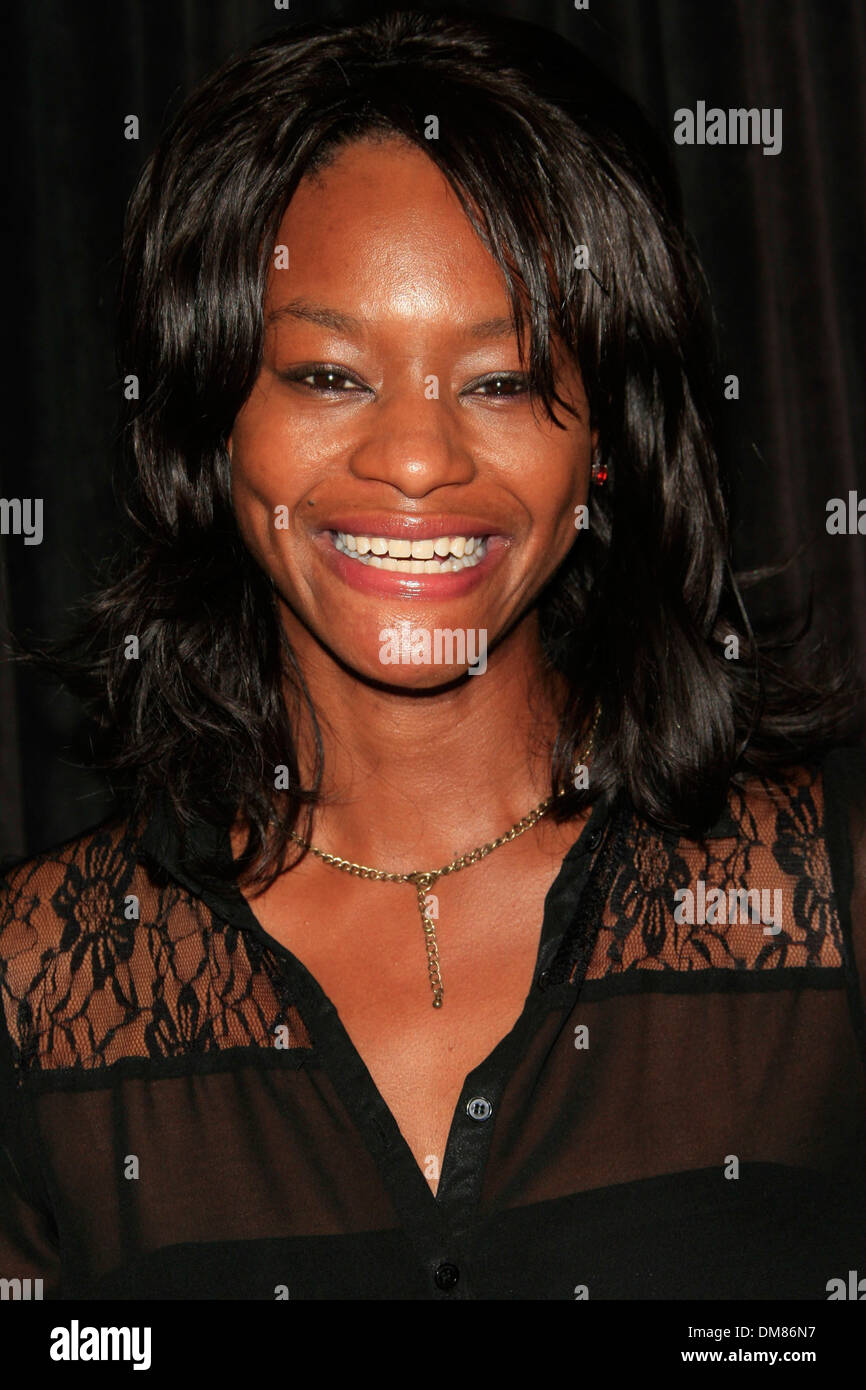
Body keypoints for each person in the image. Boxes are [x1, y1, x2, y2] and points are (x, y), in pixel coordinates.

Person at [1, 6, 864, 1302]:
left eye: (503, 379)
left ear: (606, 442)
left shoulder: (828, 909)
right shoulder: (35, 989)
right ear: (209, 421)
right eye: (329, 375)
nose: (415, 460)